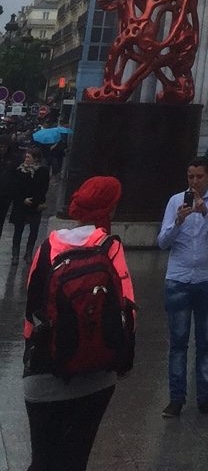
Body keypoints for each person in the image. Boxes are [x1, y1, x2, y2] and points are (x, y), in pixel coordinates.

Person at [22, 175, 135, 471]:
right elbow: (127, 309)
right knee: (75, 459)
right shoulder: (110, 247)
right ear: (109, 209)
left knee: (43, 460)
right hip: (95, 375)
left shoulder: (49, 245)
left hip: (45, 372)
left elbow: (31, 308)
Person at [157, 157, 208, 416]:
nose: (194, 181)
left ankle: (205, 397)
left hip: (207, 279)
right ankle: (176, 398)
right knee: (178, 342)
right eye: (190, 177)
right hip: (178, 278)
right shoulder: (175, 201)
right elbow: (162, 241)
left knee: (206, 342)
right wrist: (177, 221)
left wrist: (206, 213)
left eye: (199, 176)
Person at [9, 148, 50, 261]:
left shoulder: (42, 171)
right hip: (20, 205)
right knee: (18, 230)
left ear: (36, 159)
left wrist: (35, 201)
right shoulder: (19, 170)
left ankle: (28, 253)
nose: (26, 159)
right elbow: (15, 187)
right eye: (26, 157)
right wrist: (22, 199)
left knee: (34, 230)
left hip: (35, 205)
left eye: (29, 157)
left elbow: (43, 188)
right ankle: (15, 255)